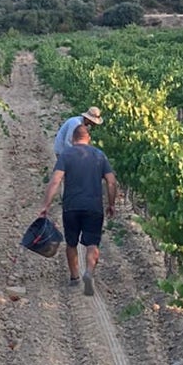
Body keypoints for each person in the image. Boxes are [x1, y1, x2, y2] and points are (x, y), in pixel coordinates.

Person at [40, 124, 117, 296]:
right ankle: (89, 272)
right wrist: (111, 204)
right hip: (94, 207)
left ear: (73, 139)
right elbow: (111, 182)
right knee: (92, 243)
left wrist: (46, 205)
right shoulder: (99, 155)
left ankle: (74, 277)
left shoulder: (66, 154)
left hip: (71, 206)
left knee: (71, 243)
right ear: (88, 138)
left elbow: (55, 181)